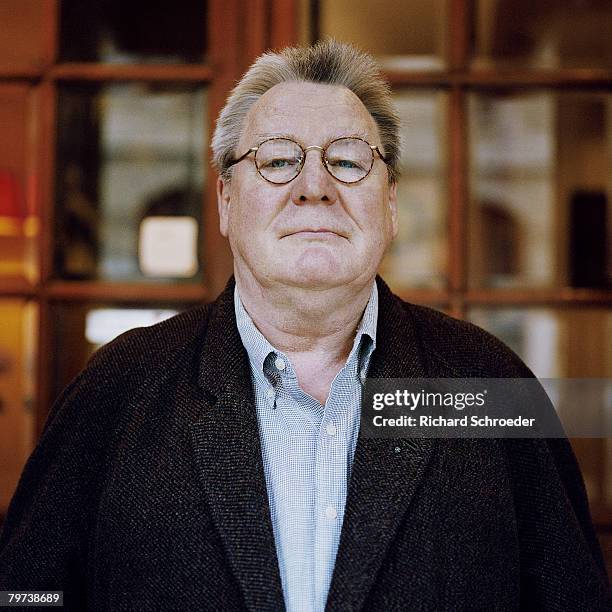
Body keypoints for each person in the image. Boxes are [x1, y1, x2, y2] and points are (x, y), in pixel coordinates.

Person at [0, 39, 609, 612]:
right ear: (225, 201)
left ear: (390, 203)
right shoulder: (119, 388)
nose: (313, 187)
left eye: (347, 160)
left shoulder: (487, 386)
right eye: (277, 161)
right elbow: (27, 595)